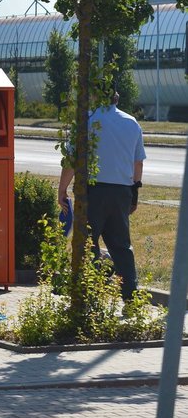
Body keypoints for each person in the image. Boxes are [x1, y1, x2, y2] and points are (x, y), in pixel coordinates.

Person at [57, 90, 146, 300]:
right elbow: (138, 162)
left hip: (93, 191)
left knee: (87, 242)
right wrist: (134, 194)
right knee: (121, 245)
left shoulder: (86, 122)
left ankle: (92, 290)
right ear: (117, 100)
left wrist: (62, 189)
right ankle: (130, 296)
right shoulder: (132, 123)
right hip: (122, 191)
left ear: (95, 98)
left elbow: (71, 160)